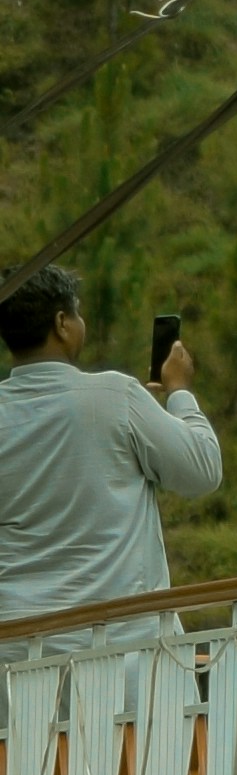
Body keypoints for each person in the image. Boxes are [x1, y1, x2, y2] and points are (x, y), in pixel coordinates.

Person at [0, 272, 216, 637]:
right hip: (117, 651)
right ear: (61, 324)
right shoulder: (116, 396)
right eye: (77, 314)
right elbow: (203, 470)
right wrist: (179, 392)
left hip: (17, 651)